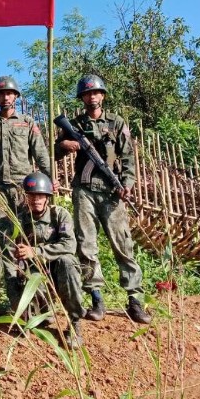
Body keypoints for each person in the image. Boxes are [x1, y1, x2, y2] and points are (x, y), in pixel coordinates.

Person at [54, 74, 152, 324]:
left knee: (123, 244)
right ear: (83, 98)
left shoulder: (116, 123)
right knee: (86, 244)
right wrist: (65, 145)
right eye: (87, 94)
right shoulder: (74, 124)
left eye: (96, 92)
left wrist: (126, 185)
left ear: (103, 96)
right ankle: (96, 298)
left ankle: (135, 300)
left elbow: (129, 158)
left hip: (111, 191)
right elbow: (54, 152)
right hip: (84, 190)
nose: (92, 97)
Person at [0, 76, 52, 313]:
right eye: (1, 94)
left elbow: (41, 155)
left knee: (25, 241)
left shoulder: (27, 123)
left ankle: (26, 298)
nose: (6, 97)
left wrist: (49, 182)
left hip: (24, 191)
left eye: (10, 93)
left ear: (16, 97)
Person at [3, 172, 86, 347]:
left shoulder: (60, 215)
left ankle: (74, 322)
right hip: (35, 274)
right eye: (32, 195)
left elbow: (70, 245)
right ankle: (39, 311)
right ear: (26, 197)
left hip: (59, 274)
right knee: (28, 315)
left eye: (40, 195)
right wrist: (17, 304)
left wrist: (36, 251)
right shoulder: (19, 220)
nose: (36, 200)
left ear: (47, 197)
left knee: (68, 262)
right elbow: (9, 258)